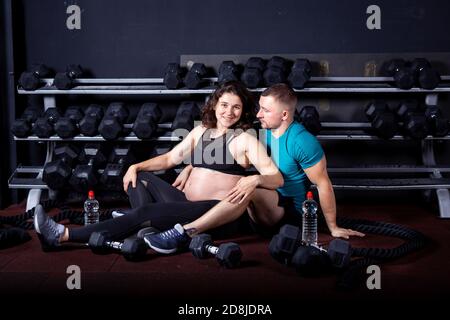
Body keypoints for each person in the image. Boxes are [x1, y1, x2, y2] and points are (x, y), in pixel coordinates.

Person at [34, 81, 283, 253]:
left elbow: (276, 178)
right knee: (139, 176)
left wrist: (256, 179)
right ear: (215, 105)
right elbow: (170, 159)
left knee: (145, 212)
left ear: (243, 111)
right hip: (185, 202)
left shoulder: (246, 139)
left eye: (236, 107)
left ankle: (63, 235)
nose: (229, 112)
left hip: (212, 214)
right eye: (224, 105)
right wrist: (134, 166)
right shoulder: (201, 131)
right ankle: (147, 225)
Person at [143, 83, 364, 255]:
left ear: (284, 115)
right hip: (257, 212)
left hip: (289, 214)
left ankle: (185, 231)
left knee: (249, 188)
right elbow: (221, 150)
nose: (258, 114)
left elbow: (323, 183)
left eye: (265, 110)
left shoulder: (301, 141)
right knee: (245, 189)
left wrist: (333, 226)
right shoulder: (264, 131)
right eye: (259, 108)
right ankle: (160, 225)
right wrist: (191, 166)